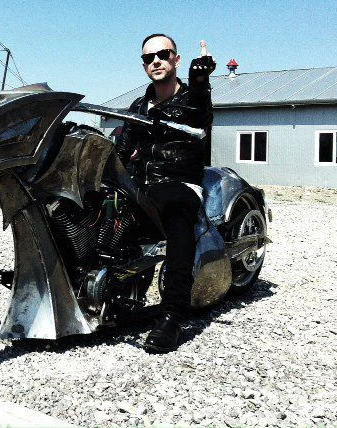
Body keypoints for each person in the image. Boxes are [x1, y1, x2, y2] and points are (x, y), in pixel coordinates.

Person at [116, 34, 216, 353]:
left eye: (163, 54)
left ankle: (173, 316)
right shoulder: (139, 106)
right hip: (143, 185)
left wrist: (200, 80)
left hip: (179, 183)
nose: (156, 61)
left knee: (175, 212)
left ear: (176, 59)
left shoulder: (191, 99)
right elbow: (122, 149)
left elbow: (201, 111)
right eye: (149, 58)